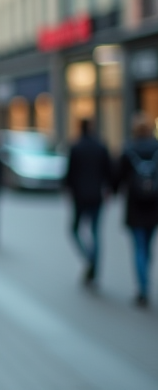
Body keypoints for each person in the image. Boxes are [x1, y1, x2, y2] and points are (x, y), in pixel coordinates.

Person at [115, 114, 158, 308]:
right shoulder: (156, 148)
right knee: (147, 246)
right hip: (154, 204)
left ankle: (143, 288)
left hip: (135, 205)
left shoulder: (128, 149)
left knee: (139, 247)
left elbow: (118, 176)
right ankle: (145, 279)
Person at [64, 118, 113, 285]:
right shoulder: (101, 147)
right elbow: (109, 172)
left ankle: (90, 258)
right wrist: (109, 189)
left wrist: (68, 190)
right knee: (95, 232)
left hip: (80, 196)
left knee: (75, 230)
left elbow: (70, 173)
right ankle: (93, 262)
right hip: (96, 195)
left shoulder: (76, 147)